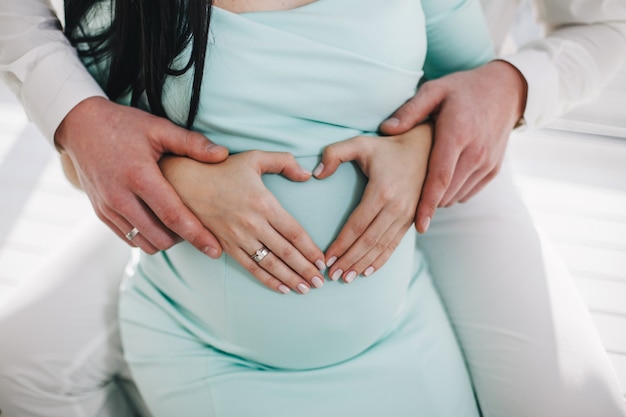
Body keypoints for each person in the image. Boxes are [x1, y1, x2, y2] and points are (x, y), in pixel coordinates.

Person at [0, 0, 625, 416]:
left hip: (447, 162)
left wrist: (484, 103)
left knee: (576, 406)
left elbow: (606, 28)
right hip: (201, 221)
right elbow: (98, 140)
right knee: (20, 365)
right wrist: (157, 169)